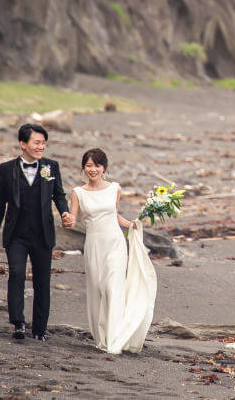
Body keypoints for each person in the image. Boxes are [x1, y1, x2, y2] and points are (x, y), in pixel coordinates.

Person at [0, 123, 71, 342]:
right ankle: (18, 322)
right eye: (37, 142)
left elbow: (58, 194)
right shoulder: (6, 168)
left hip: (42, 234)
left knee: (42, 281)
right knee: (17, 273)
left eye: (44, 143)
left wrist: (65, 212)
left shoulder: (52, 166)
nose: (41, 147)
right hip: (16, 234)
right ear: (23, 144)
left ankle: (40, 329)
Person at [64, 148, 156, 354]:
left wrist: (132, 224)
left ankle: (115, 338)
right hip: (95, 245)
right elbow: (71, 220)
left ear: (104, 168)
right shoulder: (78, 193)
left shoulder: (115, 188)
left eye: (97, 165)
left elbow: (115, 216)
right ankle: (102, 338)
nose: (93, 169)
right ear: (83, 168)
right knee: (97, 290)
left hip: (115, 243)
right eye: (89, 166)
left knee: (113, 287)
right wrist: (66, 220)